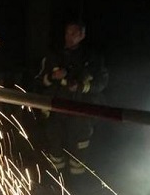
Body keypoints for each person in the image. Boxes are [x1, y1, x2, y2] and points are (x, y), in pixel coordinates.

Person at [36, 20, 108, 176]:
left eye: (74, 33)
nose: (70, 37)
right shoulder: (53, 56)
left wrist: (80, 87)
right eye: (68, 33)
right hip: (56, 109)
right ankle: (56, 180)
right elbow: (40, 80)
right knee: (55, 144)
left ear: (82, 35)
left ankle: (77, 182)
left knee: (79, 146)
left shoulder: (92, 58)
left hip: (81, 110)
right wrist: (52, 76)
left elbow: (101, 82)